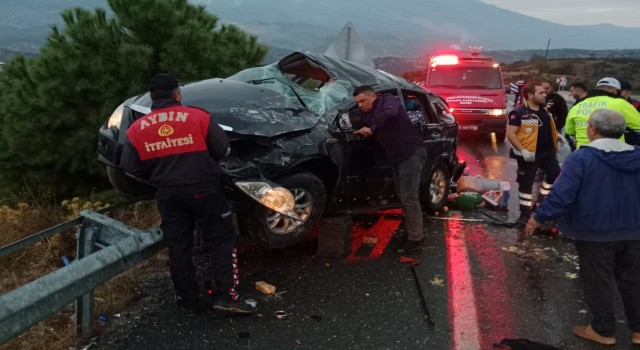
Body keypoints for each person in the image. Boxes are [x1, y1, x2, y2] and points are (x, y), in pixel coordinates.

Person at [121, 73, 251, 314]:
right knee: (221, 239)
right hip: (205, 189)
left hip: (169, 195)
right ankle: (226, 297)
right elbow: (222, 150)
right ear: (177, 94)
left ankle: (187, 299)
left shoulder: (137, 129)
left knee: (179, 247)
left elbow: (129, 166)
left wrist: (159, 177)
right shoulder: (198, 117)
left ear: (152, 98)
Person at [524, 109, 640, 347]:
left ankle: (603, 330)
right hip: (635, 231)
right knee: (633, 281)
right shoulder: (637, 156)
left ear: (593, 130)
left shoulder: (582, 158)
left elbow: (563, 194)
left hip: (594, 232)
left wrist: (539, 217)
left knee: (598, 281)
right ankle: (638, 331)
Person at [352, 85, 427, 253]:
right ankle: (410, 233)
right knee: (403, 196)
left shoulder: (388, 100)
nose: (360, 105)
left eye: (362, 101)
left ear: (373, 96)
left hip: (411, 153)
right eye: (357, 103)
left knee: (409, 197)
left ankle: (416, 240)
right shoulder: (370, 115)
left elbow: (390, 113)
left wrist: (372, 128)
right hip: (397, 157)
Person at [506, 82, 561, 227]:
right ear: (530, 96)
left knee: (555, 175)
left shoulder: (545, 111)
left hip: (547, 153)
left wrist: (557, 136)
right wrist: (523, 150)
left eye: (545, 92)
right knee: (526, 184)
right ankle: (525, 215)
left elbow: (547, 128)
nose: (545, 94)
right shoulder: (519, 113)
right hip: (528, 154)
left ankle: (541, 202)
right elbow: (510, 134)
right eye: (541, 93)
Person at [565, 77, 640, 148]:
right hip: (612, 154)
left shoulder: (577, 106)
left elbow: (569, 132)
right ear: (614, 90)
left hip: (583, 154)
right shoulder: (620, 103)